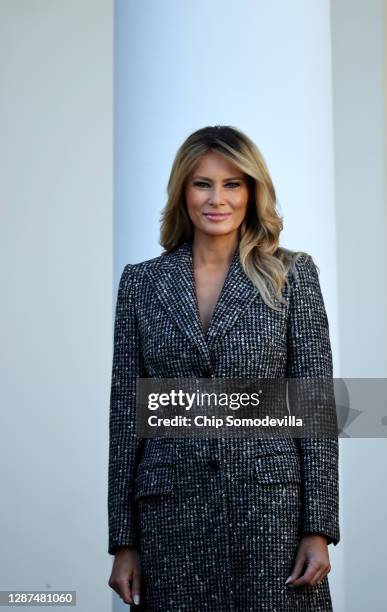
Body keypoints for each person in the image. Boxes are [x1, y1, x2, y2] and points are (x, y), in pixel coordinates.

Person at [107, 125, 340, 611]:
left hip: (271, 514)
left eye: (233, 183)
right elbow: (126, 417)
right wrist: (123, 540)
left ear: (252, 192)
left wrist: (318, 528)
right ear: (182, 191)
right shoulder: (141, 283)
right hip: (169, 516)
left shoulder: (292, 276)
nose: (218, 198)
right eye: (202, 183)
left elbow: (314, 405)